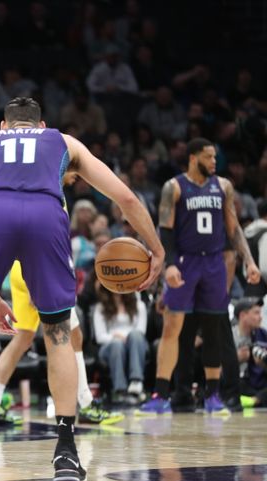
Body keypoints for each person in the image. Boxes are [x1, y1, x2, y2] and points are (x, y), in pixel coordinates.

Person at [0, 97, 163, 481]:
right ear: (42, 125)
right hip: (46, 216)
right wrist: (156, 247)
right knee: (58, 331)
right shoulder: (63, 141)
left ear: (4, 124)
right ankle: (65, 450)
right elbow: (125, 197)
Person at [136, 138, 260, 417]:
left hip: (214, 263)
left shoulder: (224, 187)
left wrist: (249, 261)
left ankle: (213, 396)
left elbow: (234, 229)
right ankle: (160, 394)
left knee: (214, 328)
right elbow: (165, 231)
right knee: (172, 328)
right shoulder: (174, 187)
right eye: (209, 157)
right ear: (193, 158)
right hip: (184, 261)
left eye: (215, 157)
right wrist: (168, 265)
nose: (214, 162)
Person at [0, 260, 124, 425]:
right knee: (70, 337)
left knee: (22, 338)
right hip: (41, 269)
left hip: (19, 268)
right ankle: (86, 404)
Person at [92, 283, 148, 405]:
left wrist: (126, 337)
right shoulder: (100, 308)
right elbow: (100, 337)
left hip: (134, 343)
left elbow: (141, 331)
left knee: (135, 336)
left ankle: (136, 381)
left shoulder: (139, 305)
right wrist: (115, 336)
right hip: (110, 345)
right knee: (117, 344)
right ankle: (120, 390)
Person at [232, 298, 267, 408]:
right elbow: (214, 369)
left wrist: (263, 363)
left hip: (258, 383)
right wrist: (235, 359)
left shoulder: (263, 335)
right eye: (256, 313)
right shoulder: (228, 336)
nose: (260, 317)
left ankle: (254, 400)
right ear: (243, 316)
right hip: (236, 383)